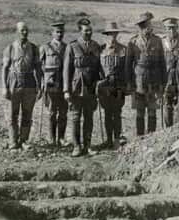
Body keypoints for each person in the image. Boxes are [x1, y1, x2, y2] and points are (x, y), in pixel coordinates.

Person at [63, 18, 102, 157]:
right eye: (86, 31)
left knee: (89, 117)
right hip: (76, 87)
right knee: (75, 117)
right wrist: (66, 90)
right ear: (80, 31)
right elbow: (66, 70)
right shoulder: (72, 46)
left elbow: (98, 69)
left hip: (91, 87)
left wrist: (99, 85)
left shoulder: (96, 46)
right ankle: (76, 146)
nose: (89, 33)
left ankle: (88, 145)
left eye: (90, 30)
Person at [1, 21, 43, 150]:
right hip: (14, 81)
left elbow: (38, 69)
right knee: (13, 113)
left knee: (27, 113)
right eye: (22, 30)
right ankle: (13, 140)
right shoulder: (10, 48)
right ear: (16, 32)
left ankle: (24, 140)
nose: (24, 33)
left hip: (29, 81)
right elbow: (5, 68)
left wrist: (40, 86)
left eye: (26, 30)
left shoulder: (34, 48)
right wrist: (4, 87)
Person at [127, 12, 166, 136]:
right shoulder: (133, 42)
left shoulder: (157, 40)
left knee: (152, 110)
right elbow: (128, 65)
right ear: (141, 27)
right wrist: (129, 83)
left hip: (154, 79)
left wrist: (163, 83)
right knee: (139, 111)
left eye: (150, 24)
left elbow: (162, 63)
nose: (149, 27)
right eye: (146, 25)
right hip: (139, 80)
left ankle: (151, 136)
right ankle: (140, 137)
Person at [97, 22, 130, 150]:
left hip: (118, 86)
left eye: (114, 34)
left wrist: (126, 86)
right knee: (107, 113)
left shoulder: (123, 50)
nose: (112, 36)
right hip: (105, 86)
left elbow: (127, 69)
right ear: (106, 35)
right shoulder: (101, 49)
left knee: (117, 113)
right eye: (110, 34)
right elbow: (97, 68)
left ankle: (116, 139)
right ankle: (108, 140)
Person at [39, 21, 69, 148]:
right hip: (50, 83)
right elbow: (39, 67)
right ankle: (52, 138)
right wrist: (41, 82)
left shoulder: (67, 47)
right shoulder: (45, 47)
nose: (59, 34)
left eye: (61, 32)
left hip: (63, 83)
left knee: (63, 112)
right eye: (57, 32)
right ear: (52, 33)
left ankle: (61, 138)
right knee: (52, 112)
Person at [159, 17, 179, 128]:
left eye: (173, 28)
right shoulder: (161, 42)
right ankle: (168, 129)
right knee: (167, 104)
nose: (171, 31)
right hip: (166, 78)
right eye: (169, 28)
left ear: (177, 28)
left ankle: (178, 128)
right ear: (165, 29)